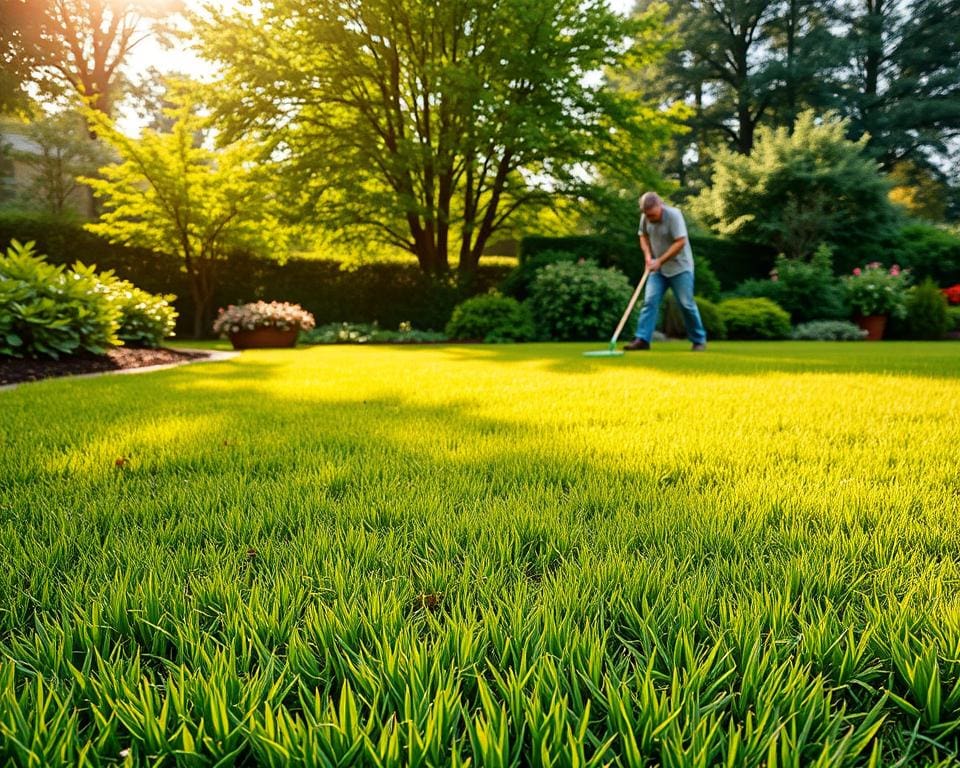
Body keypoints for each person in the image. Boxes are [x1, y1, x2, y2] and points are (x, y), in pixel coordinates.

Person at [624, 191, 707, 351]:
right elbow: (643, 236)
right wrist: (648, 257)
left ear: (660, 206)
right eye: (647, 215)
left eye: (653, 215)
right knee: (650, 302)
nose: (650, 218)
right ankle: (642, 340)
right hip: (657, 269)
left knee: (686, 304)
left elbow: (680, 242)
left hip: (680, 267)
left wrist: (659, 260)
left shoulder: (674, 216)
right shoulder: (645, 217)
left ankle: (698, 340)